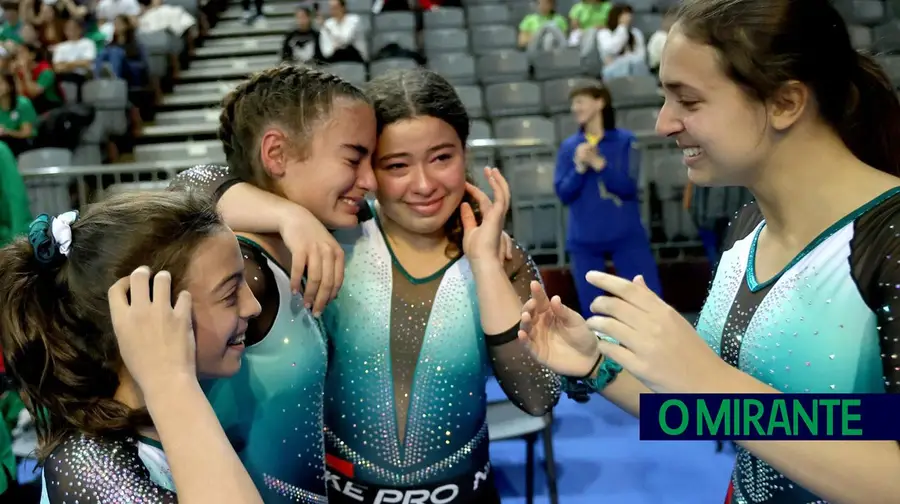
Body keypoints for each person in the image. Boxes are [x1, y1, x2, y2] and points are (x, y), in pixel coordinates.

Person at [518, 0, 900, 502]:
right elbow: (729, 417)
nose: (663, 123)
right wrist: (596, 367)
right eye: (664, 99)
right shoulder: (748, 226)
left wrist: (712, 381)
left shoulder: (889, 240)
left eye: (688, 102)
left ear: (786, 102)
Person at [173, 68, 561, 503]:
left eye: (442, 157)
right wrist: (291, 215)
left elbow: (538, 396)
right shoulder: (335, 238)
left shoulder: (501, 258)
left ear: (464, 153)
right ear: (373, 168)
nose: (424, 184)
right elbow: (193, 183)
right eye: (395, 165)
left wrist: (486, 265)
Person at [169, 64, 378, 503]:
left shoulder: (324, 239)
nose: (370, 181)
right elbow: (187, 184)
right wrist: (290, 214)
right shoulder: (241, 272)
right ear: (276, 154)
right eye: (353, 158)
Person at [0, 191, 265, 503]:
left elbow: (202, 177)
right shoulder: (84, 466)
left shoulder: (178, 413)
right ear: (146, 313)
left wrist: (289, 217)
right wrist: (170, 379)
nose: (254, 307)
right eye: (230, 293)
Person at [555, 81, 662, 317]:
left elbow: (627, 187)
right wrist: (579, 168)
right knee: (594, 313)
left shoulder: (624, 141)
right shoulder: (569, 147)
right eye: (573, 103)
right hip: (584, 239)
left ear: (599, 102)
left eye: (580, 101)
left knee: (649, 303)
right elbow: (563, 193)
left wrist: (599, 164)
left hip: (625, 234)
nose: (575, 107)